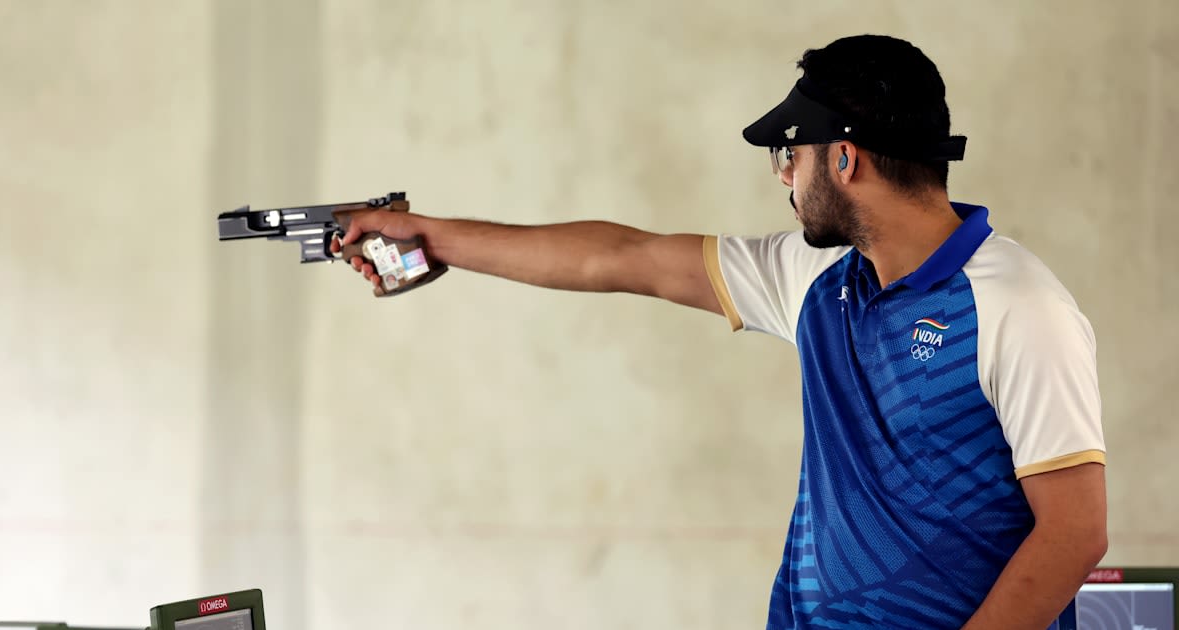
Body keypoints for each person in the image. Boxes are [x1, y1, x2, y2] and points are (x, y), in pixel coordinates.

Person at [332, 34, 1108, 629]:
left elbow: (1074, 535)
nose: (781, 176)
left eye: (788, 154)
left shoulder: (1020, 307)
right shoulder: (817, 282)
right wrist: (425, 235)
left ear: (843, 159)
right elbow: (619, 258)